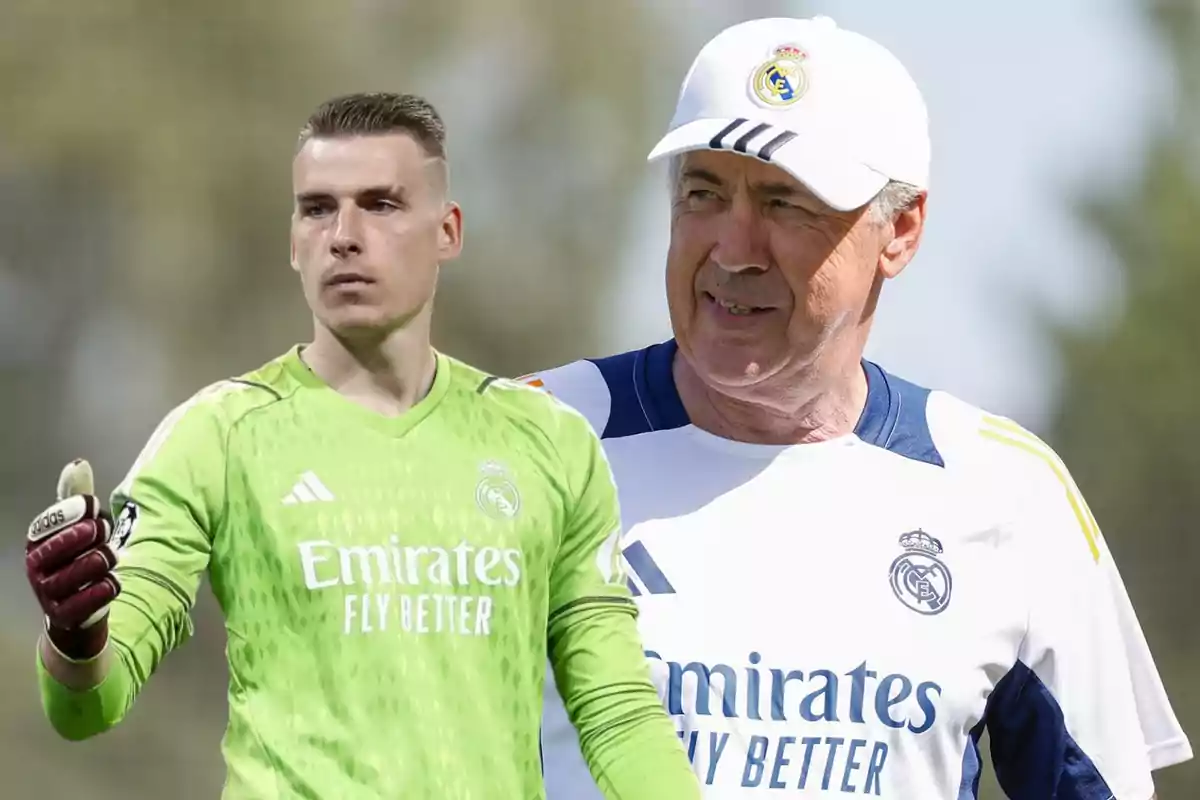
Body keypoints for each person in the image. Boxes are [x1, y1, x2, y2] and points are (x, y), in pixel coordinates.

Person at [532, 16, 1192, 800]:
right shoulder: (521, 443)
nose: (735, 249)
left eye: (786, 204)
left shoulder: (1008, 491)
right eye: (704, 193)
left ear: (900, 230)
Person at [24, 92, 700, 799]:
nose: (343, 234)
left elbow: (617, 713)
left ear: (448, 230)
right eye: (317, 208)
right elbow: (87, 706)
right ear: (292, 240)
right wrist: (76, 639)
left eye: (380, 204)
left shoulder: (547, 441)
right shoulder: (218, 436)